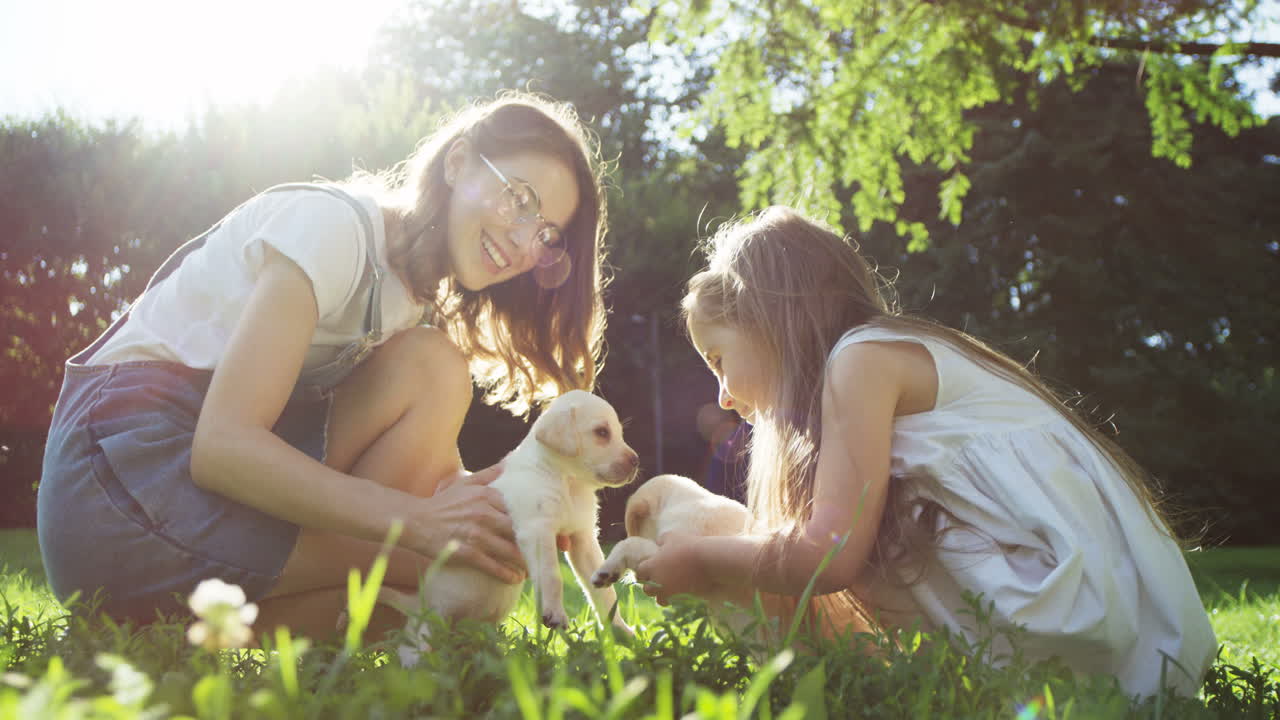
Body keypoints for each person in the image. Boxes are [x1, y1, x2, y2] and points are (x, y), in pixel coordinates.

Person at [37, 91, 609, 640]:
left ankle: (191, 625)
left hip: (177, 505)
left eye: (545, 234)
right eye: (520, 199)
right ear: (458, 162)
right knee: (435, 393)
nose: (525, 241)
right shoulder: (333, 227)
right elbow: (222, 447)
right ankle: (200, 603)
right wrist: (420, 523)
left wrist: (502, 503)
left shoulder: (407, 300)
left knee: (471, 567)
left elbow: (423, 478)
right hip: (117, 490)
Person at [634, 206, 1217, 698]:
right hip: (1132, 632)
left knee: (846, 544)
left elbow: (827, 556)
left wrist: (701, 558)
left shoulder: (861, 361)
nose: (723, 395)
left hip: (1077, 618)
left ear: (768, 317)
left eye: (717, 360)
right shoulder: (886, 353)